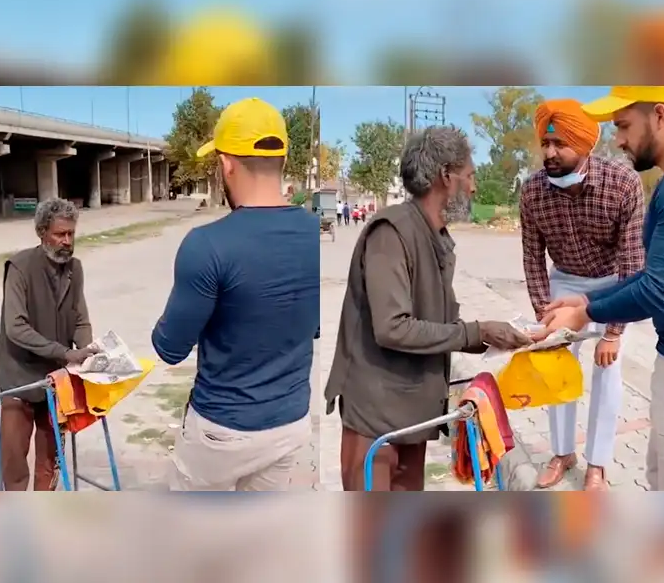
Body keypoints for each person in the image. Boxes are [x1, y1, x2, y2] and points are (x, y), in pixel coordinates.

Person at [325, 125, 533, 491]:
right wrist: (477, 331)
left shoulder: (434, 236)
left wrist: (497, 338)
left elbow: (436, 324)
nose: (474, 187)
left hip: (411, 413)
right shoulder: (392, 232)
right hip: (375, 416)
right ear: (446, 176)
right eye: (470, 176)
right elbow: (393, 327)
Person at [152, 97, 319, 491]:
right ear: (281, 159)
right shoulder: (315, 233)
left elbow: (170, 348)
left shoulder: (206, 245)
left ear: (226, 163)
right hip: (291, 426)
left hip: (220, 431)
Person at [536, 86, 664, 491]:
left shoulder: (661, 188)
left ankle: (597, 465)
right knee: (662, 472)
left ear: (660, 115)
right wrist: (585, 300)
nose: (617, 141)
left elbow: (655, 287)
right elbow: (654, 276)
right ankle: (562, 452)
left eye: (623, 126)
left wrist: (592, 315)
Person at [520, 99, 646, 491]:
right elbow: (532, 257)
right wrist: (543, 312)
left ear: (585, 145)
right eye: (545, 144)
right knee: (555, 365)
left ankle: (598, 464)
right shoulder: (533, 191)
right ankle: (562, 453)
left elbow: (632, 263)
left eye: (560, 144)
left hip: (611, 283)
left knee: (608, 370)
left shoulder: (622, 184)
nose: (549, 153)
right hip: (564, 283)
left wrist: (613, 331)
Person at [0, 197, 98, 491]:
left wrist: (87, 353)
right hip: (19, 378)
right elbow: (16, 328)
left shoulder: (75, 268)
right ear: (42, 233)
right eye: (60, 234)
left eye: (71, 234)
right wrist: (66, 353)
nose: (67, 241)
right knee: (14, 463)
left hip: (55, 379)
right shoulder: (19, 267)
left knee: (50, 460)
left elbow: (80, 320)